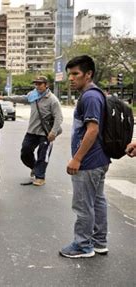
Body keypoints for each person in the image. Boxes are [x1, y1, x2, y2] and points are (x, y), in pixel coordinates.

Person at [60, 55, 111, 258]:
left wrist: (77, 158)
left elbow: (92, 130)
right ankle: (99, 242)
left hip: (89, 162)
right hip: (99, 159)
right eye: (69, 74)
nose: (71, 79)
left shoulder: (90, 96)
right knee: (97, 201)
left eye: (75, 74)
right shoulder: (96, 94)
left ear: (88, 74)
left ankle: (83, 245)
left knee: (83, 205)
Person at [0, 76, 63, 186]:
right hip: (32, 131)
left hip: (46, 133)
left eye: (40, 84)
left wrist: (53, 132)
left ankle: (40, 177)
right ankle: (35, 168)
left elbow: (59, 117)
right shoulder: (33, 95)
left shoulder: (52, 100)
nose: (37, 86)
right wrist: (4, 98)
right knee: (25, 153)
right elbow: (21, 98)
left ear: (46, 85)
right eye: (36, 84)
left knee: (43, 155)